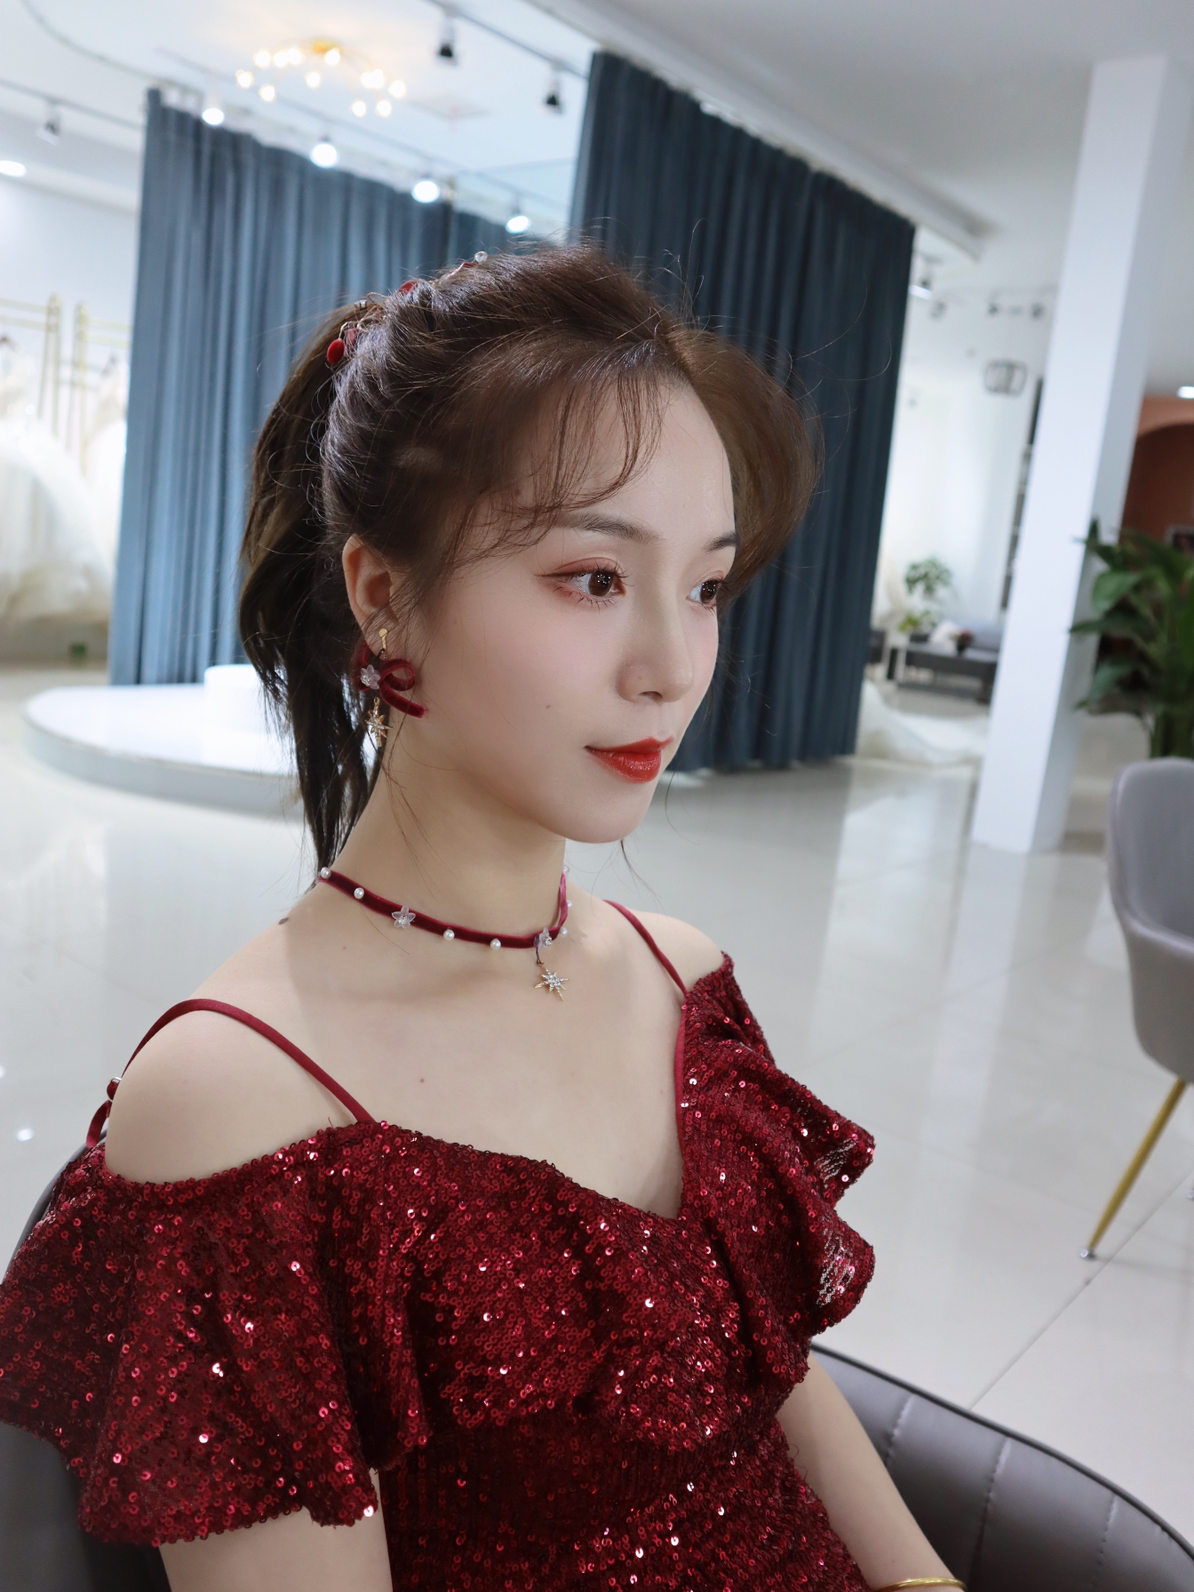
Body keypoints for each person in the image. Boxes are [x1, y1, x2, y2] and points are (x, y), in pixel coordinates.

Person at [0, 248, 961, 1592]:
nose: (673, 667)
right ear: (382, 594)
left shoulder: (682, 985)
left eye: (704, 586)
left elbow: (773, 1379)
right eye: (593, 579)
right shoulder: (242, 1104)